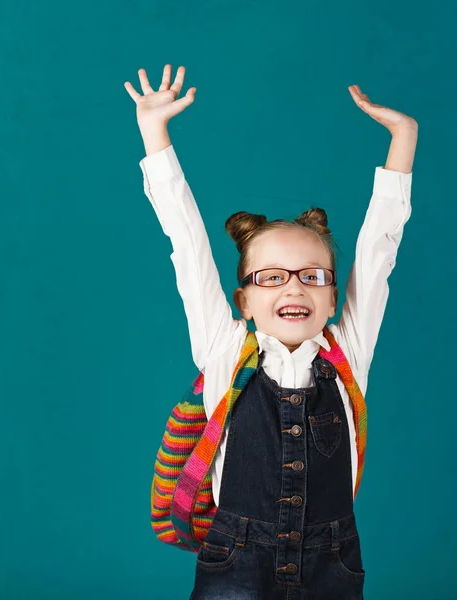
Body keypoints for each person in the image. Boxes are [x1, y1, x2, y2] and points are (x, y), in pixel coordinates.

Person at [125, 64, 418, 599]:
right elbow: (185, 241)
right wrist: (154, 132)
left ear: (333, 296)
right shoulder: (223, 347)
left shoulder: (347, 352)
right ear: (244, 300)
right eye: (272, 278)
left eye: (312, 277)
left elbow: (381, 248)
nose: (293, 289)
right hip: (235, 557)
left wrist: (403, 140)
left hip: (332, 563)